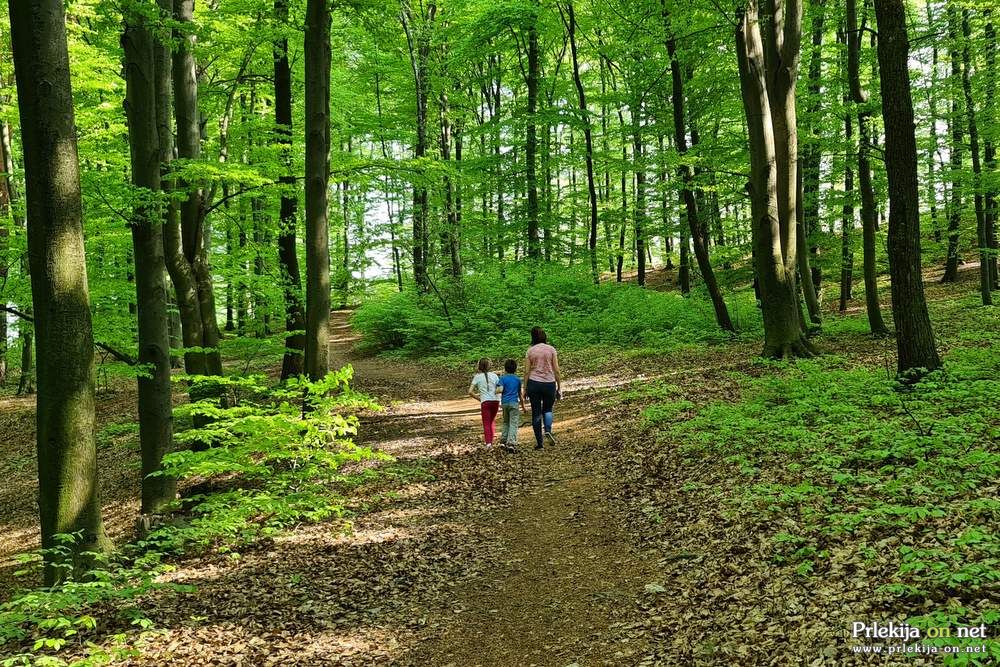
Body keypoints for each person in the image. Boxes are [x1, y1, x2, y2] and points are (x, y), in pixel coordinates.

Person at [522, 327, 561, 450]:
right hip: (549, 383)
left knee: (536, 412)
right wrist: (559, 387)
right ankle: (548, 430)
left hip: (534, 383)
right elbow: (557, 370)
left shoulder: (530, 351)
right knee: (548, 409)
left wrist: (525, 388)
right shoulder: (551, 350)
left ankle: (540, 443)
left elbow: (527, 372)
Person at [468, 358, 501, 447]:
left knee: (486, 423)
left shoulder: (477, 377)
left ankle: (488, 443)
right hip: (495, 401)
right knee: (491, 421)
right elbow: (499, 388)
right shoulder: (494, 376)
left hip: (485, 402)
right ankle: (491, 441)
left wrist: (479, 399)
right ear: (489, 366)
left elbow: (470, 391)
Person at [495, 359, 526, 452]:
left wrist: (494, 390)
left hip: (505, 403)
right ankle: (511, 442)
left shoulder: (502, 378)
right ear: (515, 369)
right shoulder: (517, 379)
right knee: (513, 423)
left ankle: (503, 440)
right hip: (514, 403)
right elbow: (520, 394)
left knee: (505, 422)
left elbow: (500, 390)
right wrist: (523, 406)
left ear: (505, 369)